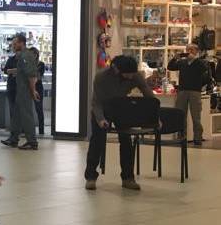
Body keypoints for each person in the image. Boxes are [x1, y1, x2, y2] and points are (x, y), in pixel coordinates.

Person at [85, 55, 154, 191]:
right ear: (116, 69)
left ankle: (128, 178)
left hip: (121, 107)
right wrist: (100, 119)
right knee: (97, 141)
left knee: (126, 141)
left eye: (132, 74)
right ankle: (91, 177)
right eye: (127, 74)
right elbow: (97, 102)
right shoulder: (101, 77)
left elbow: (149, 97)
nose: (130, 77)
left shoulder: (135, 76)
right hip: (103, 108)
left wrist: (154, 116)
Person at [168, 43, 212, 145]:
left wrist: (195, 59)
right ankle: (182, 137)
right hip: (182, 91)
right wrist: (175, 58)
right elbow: (170, 67)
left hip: (195, 92)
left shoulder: (200, 62)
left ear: (196, 51)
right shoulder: (182, 63)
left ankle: (198, 138)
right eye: (188, 50)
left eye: (192, 50)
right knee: (181, 115)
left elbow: (204, 69)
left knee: (196, 117)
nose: (189, 52)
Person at [1, 34, 40, 150]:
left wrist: (33, 90)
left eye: (15, 43)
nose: (13, 45)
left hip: (25, 91)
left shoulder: (26, 56)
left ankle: (32, 141)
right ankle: (13, 139)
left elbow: (32, 75)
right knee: (16, 116)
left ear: (22, 43)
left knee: (26, 116)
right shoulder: (21, 56)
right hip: (20, 90)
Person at [30, 47, 47, 135]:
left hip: (38, 88)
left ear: (36, 55)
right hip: (29, 87)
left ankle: (41, 130)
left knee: (39, 109)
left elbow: (38, 76)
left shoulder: (41, 64)